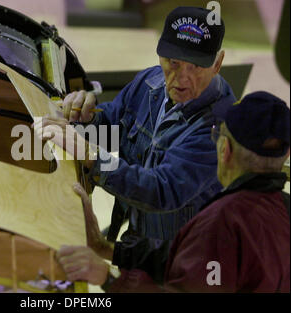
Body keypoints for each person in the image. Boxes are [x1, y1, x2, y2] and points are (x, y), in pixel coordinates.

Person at [35, 6, 235, 285]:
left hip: (181, 266)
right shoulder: (150, 81)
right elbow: (114, 126)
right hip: (137, 243)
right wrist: (83, 116)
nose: (181, 78)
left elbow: (161, 189)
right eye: (173, 62)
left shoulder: (217, 128)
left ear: (218, 63)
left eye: (196, 67)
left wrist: (90, 154)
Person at [60, 91, 290, 293]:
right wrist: (108, 249)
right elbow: (191, 259)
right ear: (286, 155)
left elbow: (158, 189)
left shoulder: (222, 222)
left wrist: (108, 278)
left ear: (224, 149)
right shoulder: (283, 208)